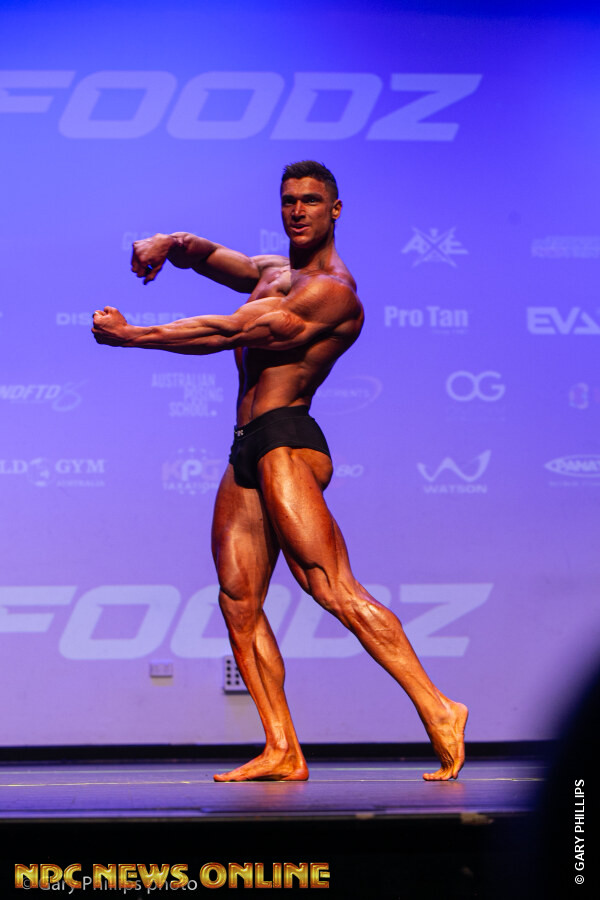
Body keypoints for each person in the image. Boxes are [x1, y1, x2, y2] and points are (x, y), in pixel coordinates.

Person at [92, 160, 467, 782]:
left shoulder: (333, 293)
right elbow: (210, 256)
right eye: (290, 200)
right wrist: (167, 243)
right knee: (238, 601)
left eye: (311, 201)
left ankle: (440, 708)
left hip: (286, 441)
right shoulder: (274, 272)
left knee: (331, 587)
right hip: (246, 444)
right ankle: (282, 748)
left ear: (335, 210)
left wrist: (136, 336)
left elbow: (229, 330)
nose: (298, 210)